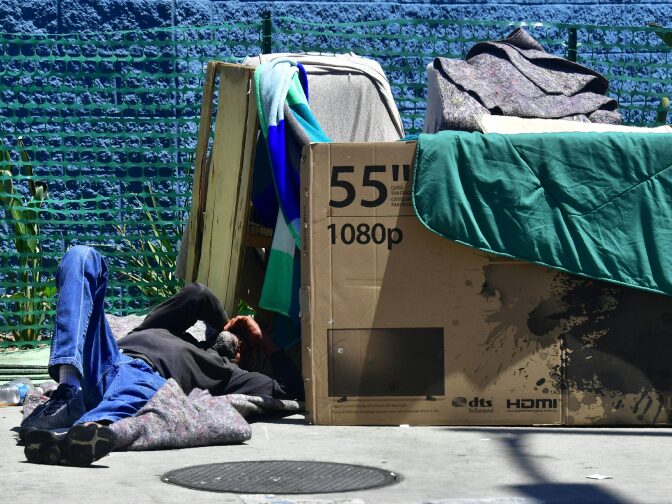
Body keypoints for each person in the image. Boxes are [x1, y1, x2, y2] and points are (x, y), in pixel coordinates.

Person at [20, 245, 303, 466]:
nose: (239, 342)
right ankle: (68, 389)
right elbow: (197, 294)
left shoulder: (228, 374)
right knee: (82, 256)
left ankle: (75, 437)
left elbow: (290, 391)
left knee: (145, 391)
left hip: (145, 378)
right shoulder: (165, 328)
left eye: (245, 347)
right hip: (106, 359)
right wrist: (226, 323)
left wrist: (262, 341)